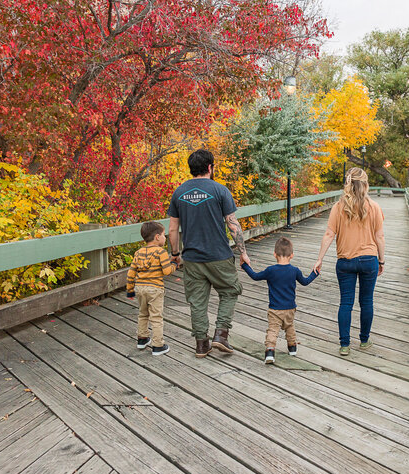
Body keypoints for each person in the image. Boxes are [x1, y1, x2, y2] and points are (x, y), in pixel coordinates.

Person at [167, 149, 250, 358]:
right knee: (230, 290)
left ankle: (201, 344)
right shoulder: (220, 190)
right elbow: (233, 225)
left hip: (192, 258)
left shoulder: (179, 192)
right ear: (210, 167)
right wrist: (243, 252)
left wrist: (176, 254)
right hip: (219, 255)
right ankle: (221, 335)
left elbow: (172, 229)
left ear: (191, 168)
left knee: (197, 301)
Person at [313, 168, 385, 356]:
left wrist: (319, 258)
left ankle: (344, 345)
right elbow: (380, 236)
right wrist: (382, 260)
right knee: (366, 301)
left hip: (345, 261)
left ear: (348, 183)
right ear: (365, 184)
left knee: (346, 302)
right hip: (369, 260)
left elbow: (329, 234)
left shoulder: (339, 207)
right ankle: (364, 341)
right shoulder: (375, 207)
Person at [241, 237, 318, 364]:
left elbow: (255, 276)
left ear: (274, 254)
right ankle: (292, 347)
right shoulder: (295, 270)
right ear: (291, 255)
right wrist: (315, 273)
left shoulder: (270, 270)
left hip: (275, 309)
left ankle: (270, 351)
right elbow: (305, 282)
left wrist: (244, 265)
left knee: (273, 330)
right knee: (290, 327)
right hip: (290, 308)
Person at [126, 221, 176, 355]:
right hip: (155, 289)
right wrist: (174, 265)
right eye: (163, 235)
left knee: (143, 314)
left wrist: (130, 290)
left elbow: (131, 273)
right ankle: (158, 345)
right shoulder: (161, 252)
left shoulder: (138, 253)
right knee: (156, 317)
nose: (165, 237)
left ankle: (142, 339)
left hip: (140, 288)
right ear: (157, 237)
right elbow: (166, 271)